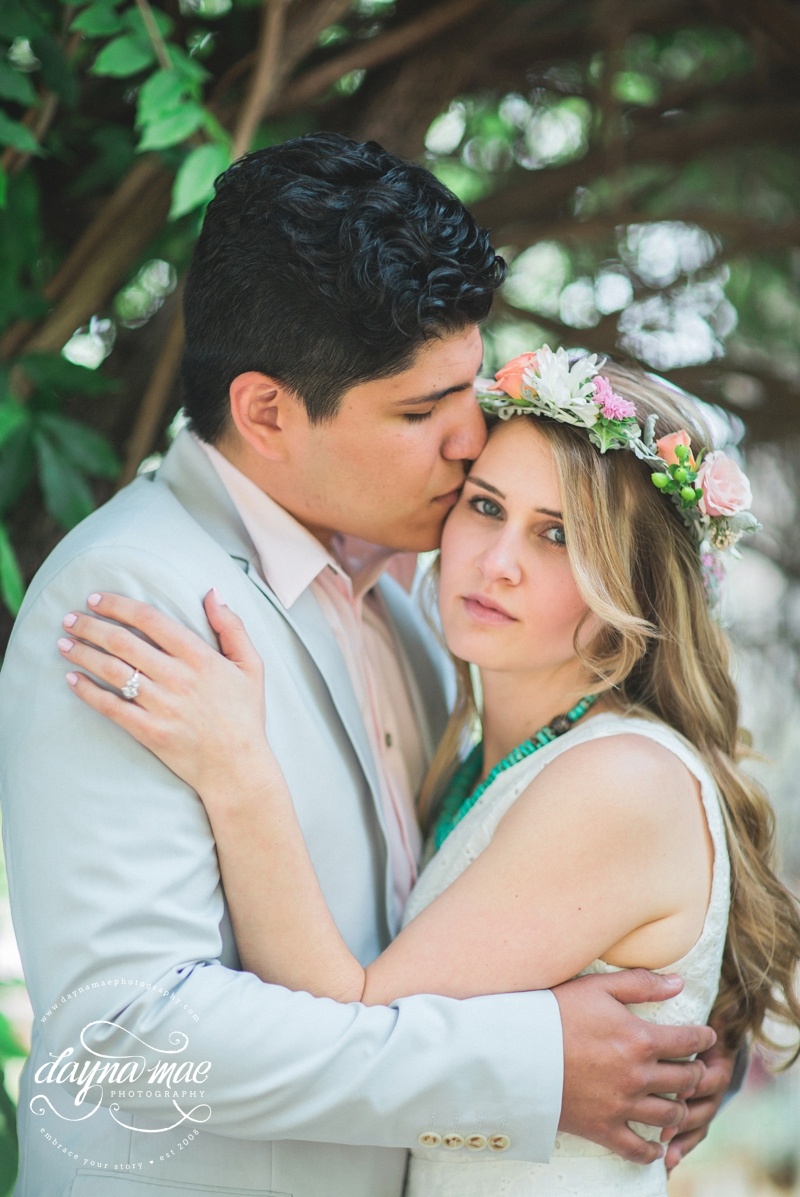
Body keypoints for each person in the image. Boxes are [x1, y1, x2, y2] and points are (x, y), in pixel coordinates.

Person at [0, 136, 725, 1197]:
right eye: (418, 411)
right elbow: (131, 1041)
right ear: (265, 412)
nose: (468, 436)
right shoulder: (133, 600)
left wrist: (663, 1045)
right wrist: (532, 1070)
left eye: (467, 387)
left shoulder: (431, 603)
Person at [60, 349, 800, 1197]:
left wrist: (237, 768)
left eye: (558, 535)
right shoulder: (485, 740)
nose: (499, 561)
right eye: (486, 507)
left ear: (631, 586)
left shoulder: (623, 780)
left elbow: (354, 1019)